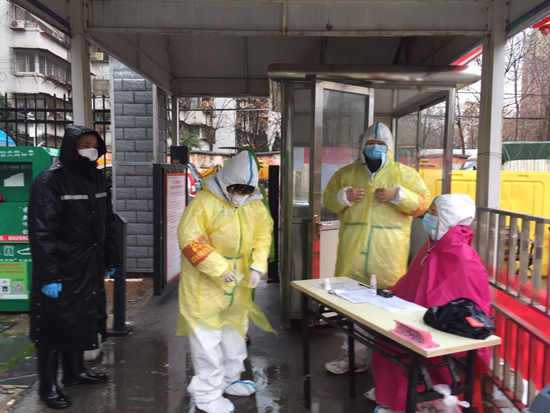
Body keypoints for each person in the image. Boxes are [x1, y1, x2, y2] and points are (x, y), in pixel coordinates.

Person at [322, 122, 430, 374]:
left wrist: (398, 195)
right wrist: (343, 197)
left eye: (380, 144)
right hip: (352, 254)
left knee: (386, 310)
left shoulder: (405, 175)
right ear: (362, 147)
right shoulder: (346, 174)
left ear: (389, 148)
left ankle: (387, 366)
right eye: (370, 144)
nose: (375, 148)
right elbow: (328, 200)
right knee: (352, 309)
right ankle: (354, 358)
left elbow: (423, 205)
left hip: (388, 256)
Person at [368, 194, 492, 413]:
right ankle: (391, 397)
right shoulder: (432, 246)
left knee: (409, 351)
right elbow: (411, 282)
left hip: (442, 330)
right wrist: (388, 295)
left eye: (434, 213)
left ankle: (411, 404)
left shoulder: (463, 257)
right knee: (387, 340)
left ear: (449, 219)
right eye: (430, 212)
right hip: (418, 318)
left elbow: (469, 305)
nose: (428, 217)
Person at [28, 125, 120, 409]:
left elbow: (107, 220)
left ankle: (74, 372)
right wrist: (49, 275)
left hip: (89, 263)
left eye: (93, 144)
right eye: (83, 144)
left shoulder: (95, 177)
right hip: (62, 266)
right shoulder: (50, 181)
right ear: (71, 147)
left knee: (81, 318)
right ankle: (48, 386)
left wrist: (111, 257)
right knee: (53, 326)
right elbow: (42, 232)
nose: (89, 149)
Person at [177, 151, 275, 413]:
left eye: (247, 190)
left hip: (237, 282)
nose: (241, 194)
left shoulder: (254, 205)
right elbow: (189, 239)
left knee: (235, 335)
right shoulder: (204, 202)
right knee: (207, 341)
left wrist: (258, 265)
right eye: (238, 189)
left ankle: (230, 379)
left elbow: (263, 234)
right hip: (205, 285)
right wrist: (219, 268)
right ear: (226, 182)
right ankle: (207, 395)